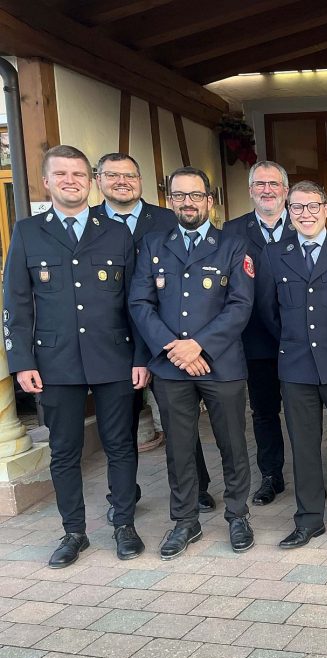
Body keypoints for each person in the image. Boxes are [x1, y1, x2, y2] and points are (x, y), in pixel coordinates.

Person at [4, 145, 148, 566]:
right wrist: (22, 362)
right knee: (64, 450)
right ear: (46, 181)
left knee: (121, 445)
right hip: (55, 362)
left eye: (78, 174)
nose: (71, 181)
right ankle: (74, 531)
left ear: (92, 181)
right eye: (61, 174)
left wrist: (141, 357)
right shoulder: (28, 232)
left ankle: (124, 524)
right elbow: (15, 302)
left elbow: (133, 302)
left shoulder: (116, 232)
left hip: (114, 357)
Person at [130, 166, 255, 559]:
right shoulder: (153, 244)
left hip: (222, 364)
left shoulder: (233, 246)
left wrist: (199, 346)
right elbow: (140, 302)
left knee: (232, 443)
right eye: (180, 196)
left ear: (209, 200)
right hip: (170, 367)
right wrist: (173, 347)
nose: (188, 202)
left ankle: (238, 516)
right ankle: (185, 521)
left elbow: (240, 305)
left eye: (195, 195)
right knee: (179, 448)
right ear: (171, 201)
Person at [92, 152, 215, 523]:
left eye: (129, 175)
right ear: (99, 180)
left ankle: (199, 488)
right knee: (120, 426)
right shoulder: (89, 222)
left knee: (181, 421)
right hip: (113, 339)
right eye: (112, 175)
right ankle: (123, 497)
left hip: (167, 338)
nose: (121, 181)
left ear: (142, 181)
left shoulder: (166, 219)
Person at [256, 181, 327, 548]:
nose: (306, 214)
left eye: (313, 206)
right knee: (304, 448)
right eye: (298, 207)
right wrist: (294, 341)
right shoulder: (274, 254)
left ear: (326, 209)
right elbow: (270, 313)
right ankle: (308, 520)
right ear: (289, 212)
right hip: (297, 366)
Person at [222, 160, 293, 506]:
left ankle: (310, 475)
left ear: (286, 190)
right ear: (251, 191)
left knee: (302, 413)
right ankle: (271, 476)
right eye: (260, 184)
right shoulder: (231, 232)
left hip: (299, 340)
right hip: (255, 341)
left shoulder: (305, 222)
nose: (268, 190)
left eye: (274, 184)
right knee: (265, 412)